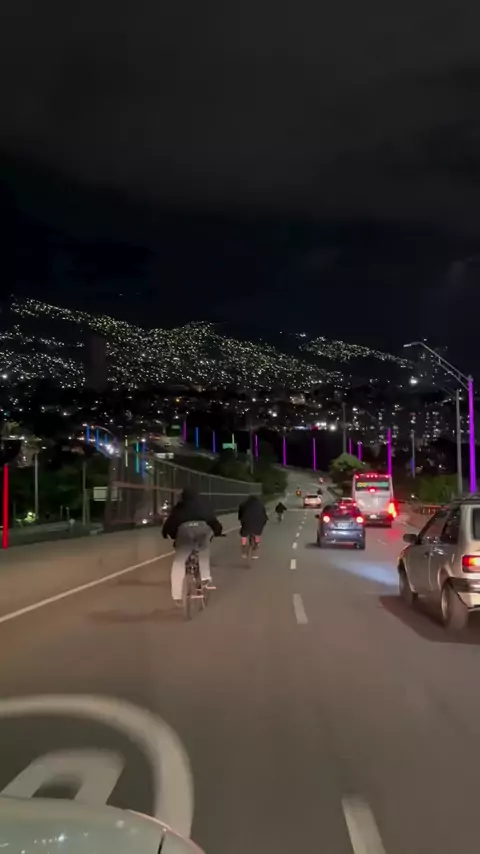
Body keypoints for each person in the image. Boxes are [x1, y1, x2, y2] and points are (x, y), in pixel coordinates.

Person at [163, 488, 223, 604]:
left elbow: (169, 525)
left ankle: (177, 595)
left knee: (178, 563)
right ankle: (205, 578)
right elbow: (213, 521)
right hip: (202, 533)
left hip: (184, 535)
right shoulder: (204, 506)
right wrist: (218, 531)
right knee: (203, 551)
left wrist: (169, 535)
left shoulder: (178, 508)